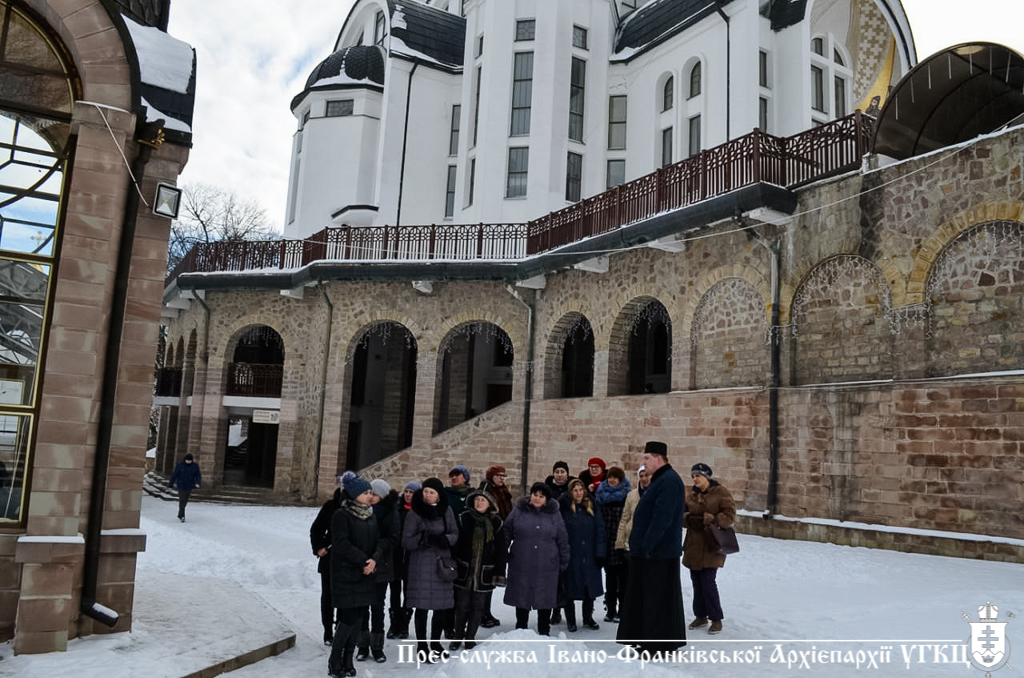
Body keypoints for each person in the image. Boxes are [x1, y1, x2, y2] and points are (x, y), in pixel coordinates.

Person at [616, 441, 687, 653]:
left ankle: (657, 645)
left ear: (658, 458)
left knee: (657, 601)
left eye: (647, 458)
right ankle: (647, 640)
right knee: (647, 599)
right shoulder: (660, 480)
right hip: (649, 553)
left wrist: (647, 546)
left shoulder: (669, 481)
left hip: (658, 554)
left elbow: (661, 519)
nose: (643, 462)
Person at [328, 474, 381, 678]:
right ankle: (335, 660)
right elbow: (341, 543)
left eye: (370, 493)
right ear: (354, 494)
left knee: (359, 617)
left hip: (366, 573)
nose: (369, 496)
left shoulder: (370, 515)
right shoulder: (342, 515)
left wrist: (374, 559)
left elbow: (377, 540)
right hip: (346, 573)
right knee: (348, 618)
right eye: (365, 493)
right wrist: (363, 561)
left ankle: (348, 659)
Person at [402, 477, 458, 659]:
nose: (427, 495)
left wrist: (444, 539)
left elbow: (455, 533)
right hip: (421, 564)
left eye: (431, 492)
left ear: (439, 495)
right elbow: (406, 541)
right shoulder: (415, 513)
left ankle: (435, 643)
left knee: (441, 607)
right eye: (425, 491)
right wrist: (422, 538)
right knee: (422, 606)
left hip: (442, 564)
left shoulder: (446, 511)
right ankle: (422, 645)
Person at [503, 481, 569, 636]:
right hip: (521, 561)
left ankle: (544, 631)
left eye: (541, 496)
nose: (537, 498)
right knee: (522, 595)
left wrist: (564, 561)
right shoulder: (519, 511)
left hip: (547, 564)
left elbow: (562, 538)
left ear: (546, 499)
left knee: (545, 597)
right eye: (535, 494)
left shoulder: (554, 514)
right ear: (530, 495)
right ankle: (521, 630)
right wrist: (503, 553)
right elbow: (507, 531)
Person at [683, 463, 736, 636]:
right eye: (693, 476)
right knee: (696, 581)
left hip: (712, 544)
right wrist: (689, 519)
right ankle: (700, 616)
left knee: (708, 581)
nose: (695, 479)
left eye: (698, 476)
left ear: (707, 476)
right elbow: (683, 512)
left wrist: (711, 519)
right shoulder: (692, 494)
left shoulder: (721, 493)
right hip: (693, 544)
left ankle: (716, 618)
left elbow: (729, 515)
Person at [451, 489, 507, 650]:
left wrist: (499, 573)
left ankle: (470, 637)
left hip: (485, 573)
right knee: (461, 606)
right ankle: (457, 636)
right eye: (477, 500)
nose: (479, 502)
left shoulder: (496, 523)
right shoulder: (464, 518)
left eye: (483, 500)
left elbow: (501, 550)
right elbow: (456, 544)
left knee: (478, 607)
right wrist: (454, 564)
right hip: (464, 571)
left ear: (489, 504)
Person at [355, 478, 399, 662]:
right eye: (369, 493)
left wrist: (377, 553)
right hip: (363, 564)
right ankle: (362, 645)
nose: (371, 497)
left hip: (381, 564)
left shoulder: (390, 513)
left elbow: (393, 538)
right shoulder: (361, 511)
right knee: (362, 606)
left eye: (375, 494)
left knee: (377, 606)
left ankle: (377, 646)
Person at [559, 478, 605, 632]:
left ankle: (588, 618)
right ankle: (571, 620)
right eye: (575, 490)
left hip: (590, 554)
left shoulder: (592, 506)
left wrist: (600, 552)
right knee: (570, 588)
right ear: (571, 492)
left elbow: (600, 529)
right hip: (573, 555)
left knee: (589, 589)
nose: (578, 493)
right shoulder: (565, 509)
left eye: (581, 490)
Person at [310, 476, 345, 645]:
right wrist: (318, 547)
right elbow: (316, 528)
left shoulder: (356, 507)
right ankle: (327, 630)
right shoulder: (330, 506)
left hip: (348, 559)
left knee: (344, 595)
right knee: (328, 595)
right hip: (329, 558)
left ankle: (341, 627)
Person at [595, 466, 631, 623]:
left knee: (623, 579)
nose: (612, 480)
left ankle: (623, 610)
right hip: (607, 541)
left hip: (621, 541)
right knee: (610, 579)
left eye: (615, 477)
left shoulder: (626, 496)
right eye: (610, 477)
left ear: (620, 479)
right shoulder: (600, 495)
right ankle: (610, 610)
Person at [479, 465, 512, 628]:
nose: (501, 478)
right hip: (488, 537)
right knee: (484, 577)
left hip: (500, 536)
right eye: (498, 475)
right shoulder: (486, 489)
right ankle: (481, 613)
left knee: (491, 577)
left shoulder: (503, 491)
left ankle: (486, 611)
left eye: (503, 476)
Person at [387, 480, 420, 640]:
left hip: (411, 558)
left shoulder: (419, 513)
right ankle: (394, 624)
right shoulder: (397, 510)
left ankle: (404, 625)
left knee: (408, 592)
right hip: (396, 556)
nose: (408, 495)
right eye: (406, 491)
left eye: (411, 492)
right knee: (394, 591)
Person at [615, 465, 649, 551]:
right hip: (631, 541)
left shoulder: (658, 494)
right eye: (641, 476)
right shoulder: (631, 495)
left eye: (646, 475)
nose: (644, 478)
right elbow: (624, 520)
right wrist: (619, 543)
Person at [168, 453, 201, 522]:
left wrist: (198, 482)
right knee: (182, 500)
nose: (188, 461)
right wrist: (171, 483)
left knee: (185, 500)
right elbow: (175, 475)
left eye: (190, 460)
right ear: (185, 460)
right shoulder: (180, 466)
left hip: (190, 485)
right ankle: (182, 515)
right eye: (187, 460)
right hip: (181, 485)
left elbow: (198, 475)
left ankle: (180, 513)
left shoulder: (195, 466)